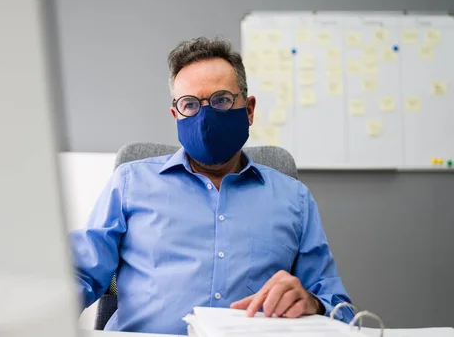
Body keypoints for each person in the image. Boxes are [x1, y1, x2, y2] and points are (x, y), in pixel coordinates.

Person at [69, 37, 354, 335]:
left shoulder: (294, 199)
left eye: (221, 100)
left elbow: (341, 310)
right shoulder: (130, 183)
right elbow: (79, 276)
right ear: (175, 115)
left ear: (249, 109)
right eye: (190, 104)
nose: (205, 117)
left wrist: (313, 303)